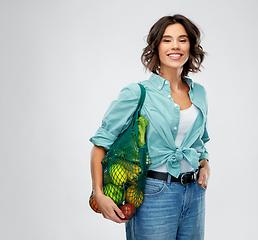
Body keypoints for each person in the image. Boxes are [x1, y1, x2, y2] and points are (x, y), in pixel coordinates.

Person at [90, 14, 210, 240]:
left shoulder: (199, 93)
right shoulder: (137, 93)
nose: (175, 46)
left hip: (195, 194)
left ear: (191, 46)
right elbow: (101, 144)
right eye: (167, 40)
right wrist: (98, 193)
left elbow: (199, 143)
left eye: (182, 40)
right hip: (154, 193)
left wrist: (205, 165)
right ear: (155, 47)